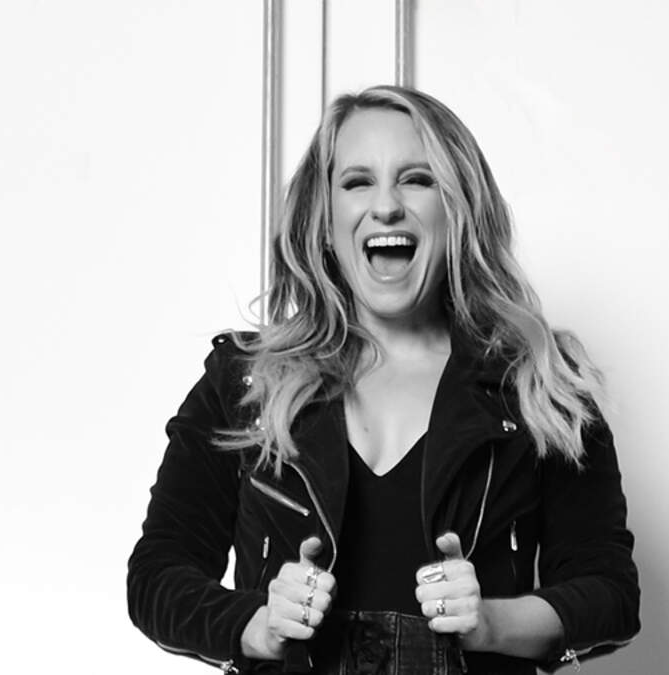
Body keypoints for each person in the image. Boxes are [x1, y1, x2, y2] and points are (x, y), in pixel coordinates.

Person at [127, 85, 640, 674]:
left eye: (417, 179)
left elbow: (610, 594)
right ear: (325, 220)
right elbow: (157, 577)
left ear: (458, 212)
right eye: (357, 182)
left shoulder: (539, 385)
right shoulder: (245, 384)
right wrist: (257, 626)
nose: (387, 206)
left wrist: (492, 623)